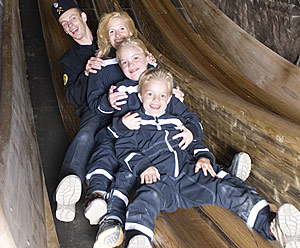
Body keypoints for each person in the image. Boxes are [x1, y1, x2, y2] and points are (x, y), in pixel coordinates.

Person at [97, 68, 300, 248]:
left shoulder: (176, 122)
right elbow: (124, 148)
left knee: (224, 189)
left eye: (162, 95)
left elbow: (194, 145)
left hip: (187, 177)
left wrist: (204, 158)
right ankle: (138, 238)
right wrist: (144, 167)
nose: (156, 100)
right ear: (141, 96)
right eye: (150, 94)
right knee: (144, 201)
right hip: (158, 182)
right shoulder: (135, 122)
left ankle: (272, 228)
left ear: (169, 99)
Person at [89, 38, 251, 247]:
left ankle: (225, 175)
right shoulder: (122, 91)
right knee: (125, 173)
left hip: (167, 151)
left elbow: (186, 120)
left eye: (136, 59)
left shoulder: (165, 86)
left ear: (148, 58)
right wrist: (120, 121)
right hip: (137, 148)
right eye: (125, 63)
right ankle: (112, 220)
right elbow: (117, 131)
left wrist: (190, 130)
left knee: (188, 152)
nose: (130, 65)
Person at [51, 0, 108, 222]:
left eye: (72, 18)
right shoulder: (70, 60)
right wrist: (86, 74)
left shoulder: (108, 38)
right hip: (94, 108)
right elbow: (72, 97)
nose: (69, 25)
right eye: (64, 24)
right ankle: (70, 183)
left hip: (123, 102)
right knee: (86, 135)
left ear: (83, 17)